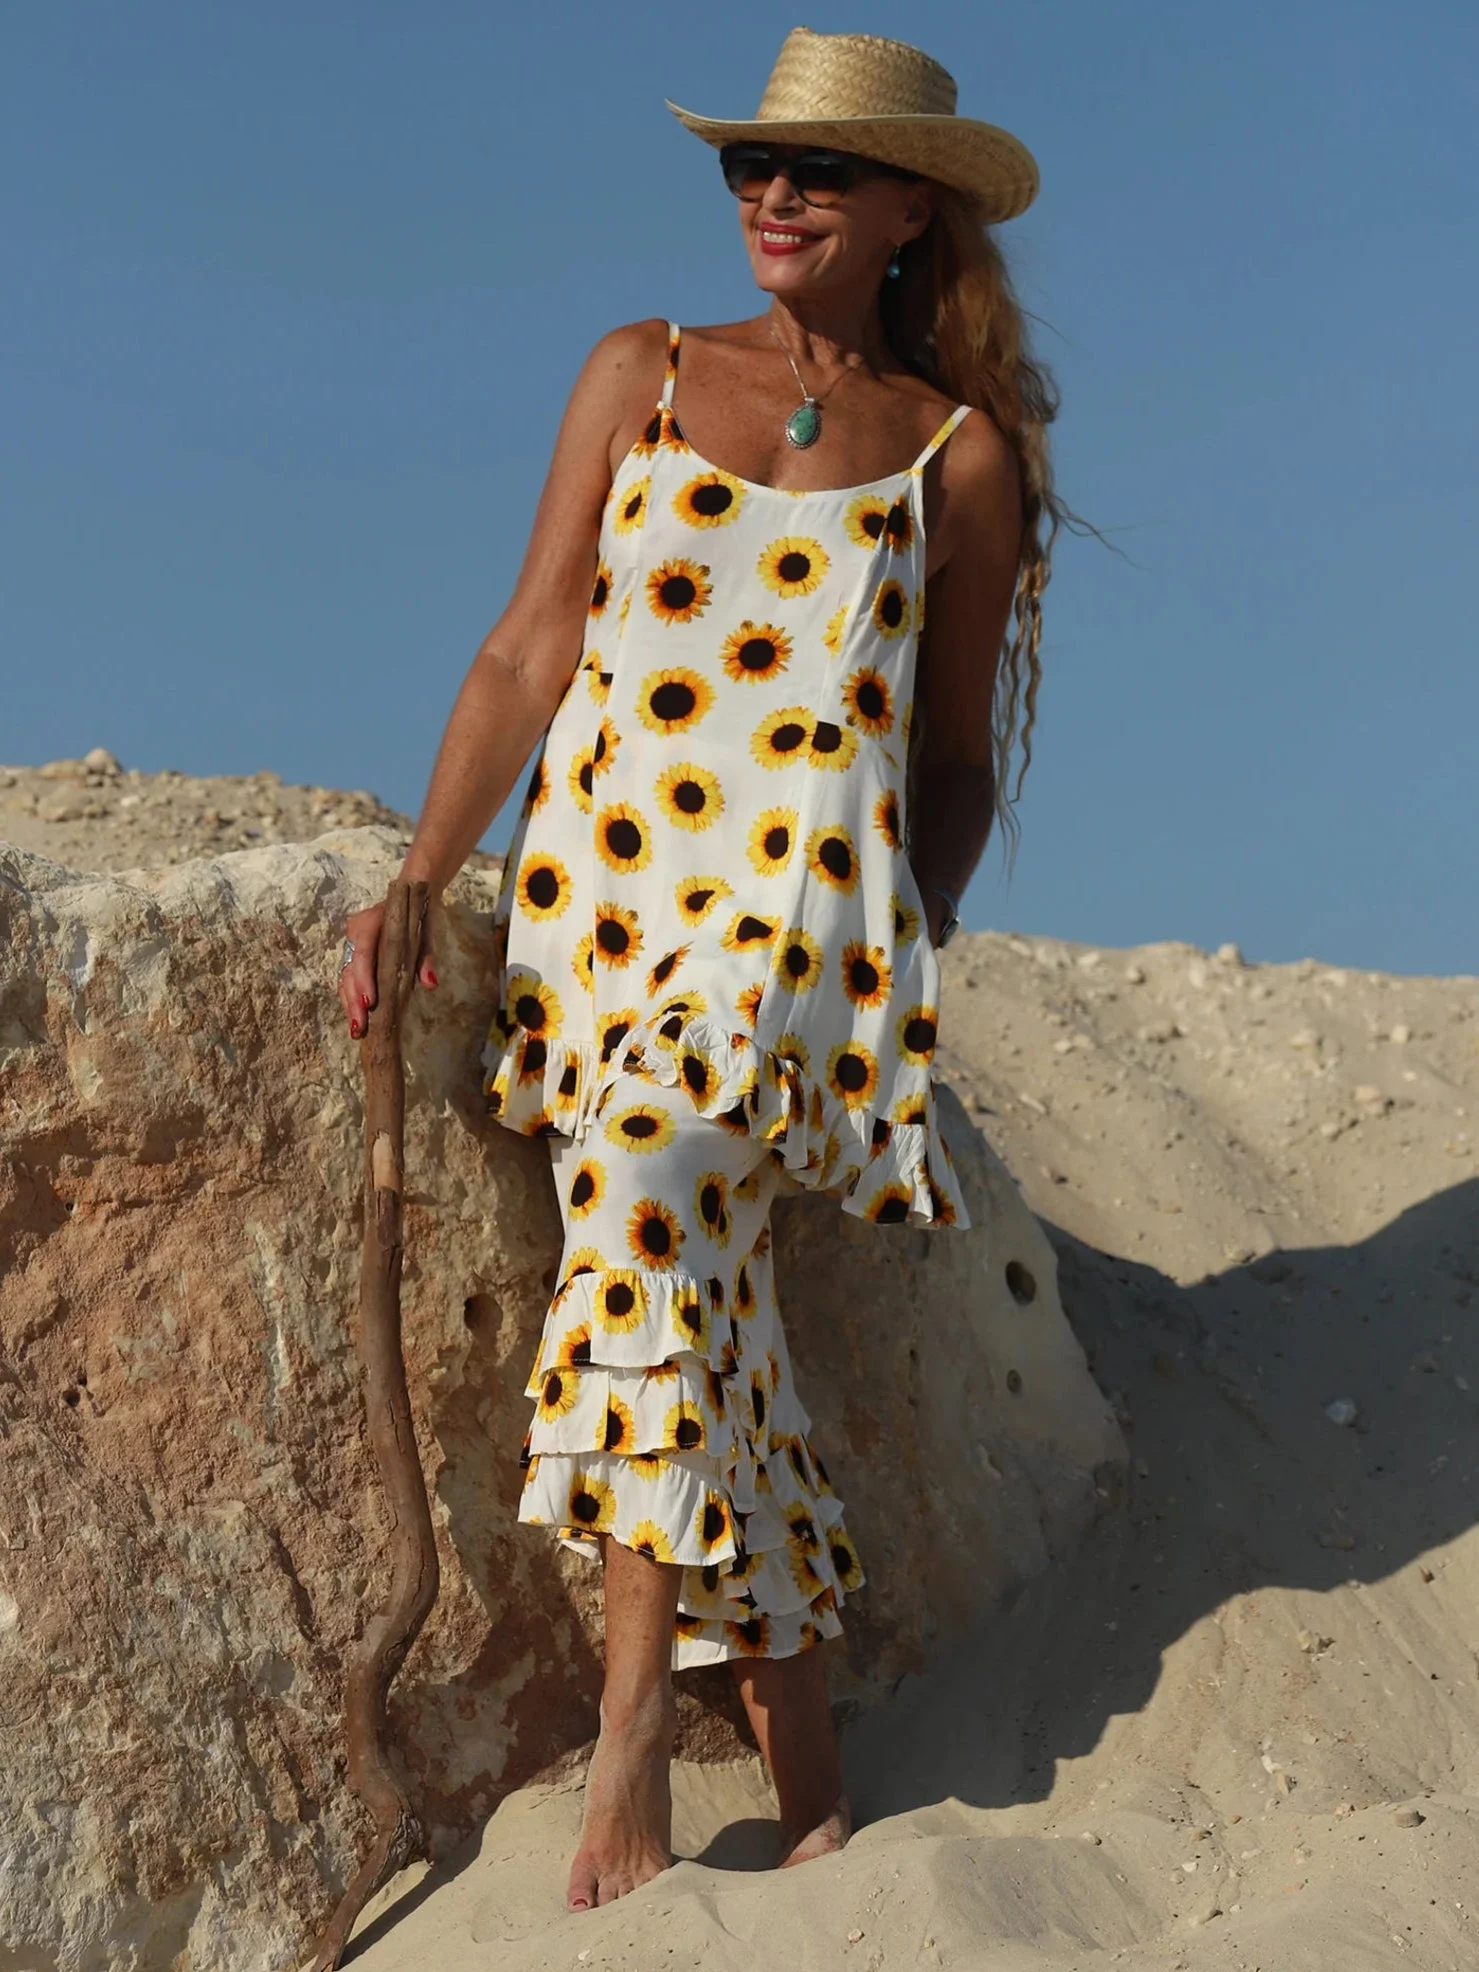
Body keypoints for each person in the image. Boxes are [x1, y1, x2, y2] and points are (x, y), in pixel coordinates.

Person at [337, 23, 1064, 1916]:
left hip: (787, 950)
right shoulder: (638, 371)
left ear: (911, 209)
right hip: (601, 908)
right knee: (698, 1295)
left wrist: (897, 945)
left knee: (650, 1190)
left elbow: (956, 762)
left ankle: (632, 1733)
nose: (775, 192)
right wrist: (421, 875)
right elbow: (528, 645)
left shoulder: (959, 460)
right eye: (751, 163)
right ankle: (804, 1759)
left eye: (819, 170)